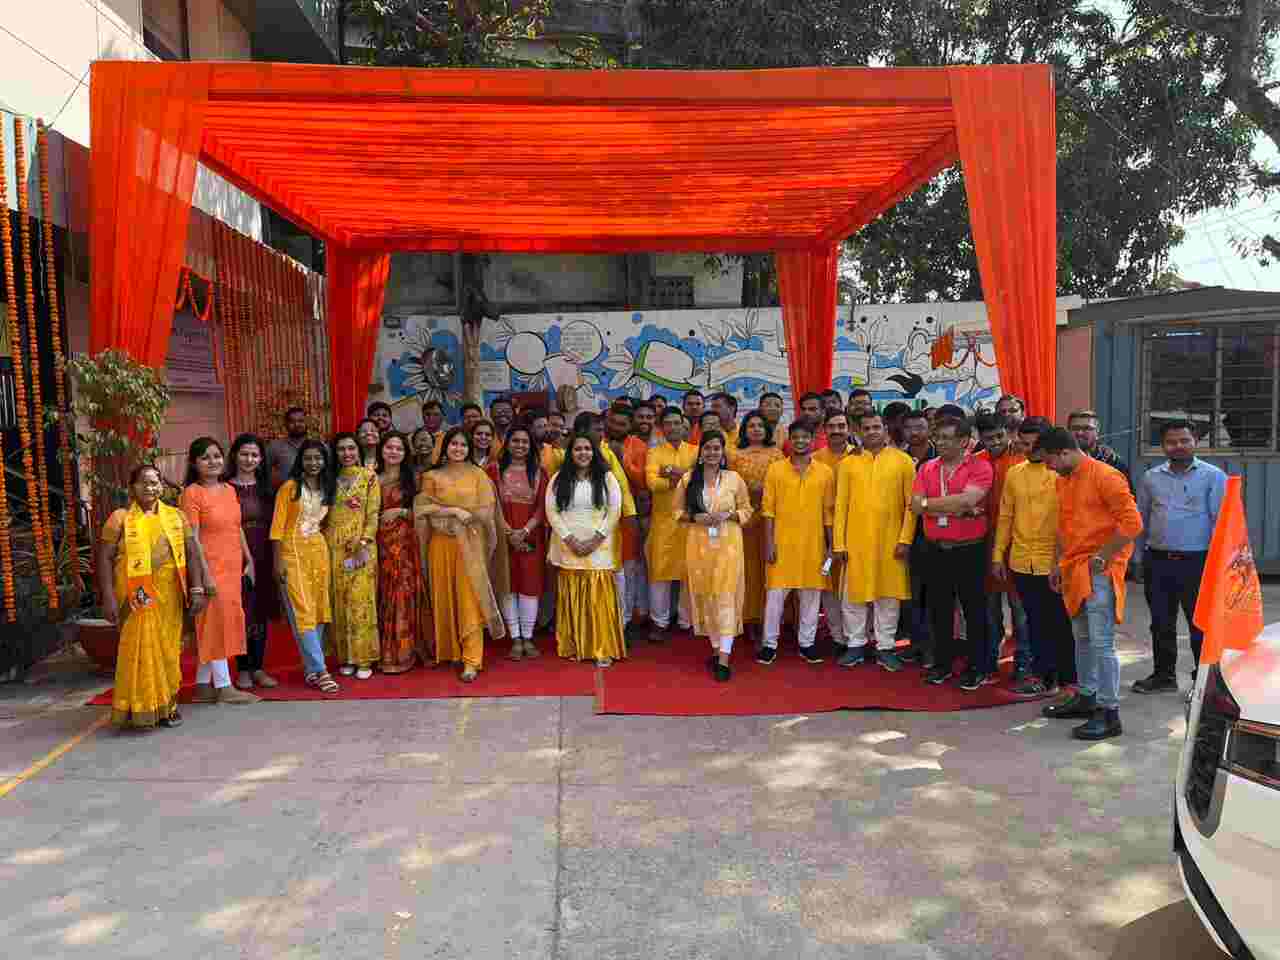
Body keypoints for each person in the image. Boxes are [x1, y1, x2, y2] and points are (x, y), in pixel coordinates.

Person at [1038, 427, 1142, 740]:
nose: (1048, 467)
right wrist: (1058, 563)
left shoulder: (1106, 476)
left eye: (1049, 461)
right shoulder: (1063, 480)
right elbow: (1063, 526)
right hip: (1074, 568)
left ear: (1064, 452)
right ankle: (1087, 697)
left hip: (1100, 571)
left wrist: (1105, 555)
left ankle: (1109, 713)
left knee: (1101, 642)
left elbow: (1133, 523)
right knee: (1081, 637)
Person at [99, 465, 208, 729]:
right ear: (132, 487)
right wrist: (109, 597)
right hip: (135, 598)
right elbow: (104, 557)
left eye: (156, 482)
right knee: (135, 651)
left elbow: (192, 553)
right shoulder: (119, 518)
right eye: (144, 483)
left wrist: (197, 589)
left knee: (168, 650)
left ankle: (167, 706)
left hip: (169, 596)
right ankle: (135, 708)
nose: (151, 488)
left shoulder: (176, 517)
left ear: (162, 486)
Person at [1132, 419, 1226, 693]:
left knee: (1201, 625)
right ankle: (1164, 676)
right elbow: (1142, 519)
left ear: (1195, 442)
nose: (1179, 446)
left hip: (1198, 562)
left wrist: (1220, 563)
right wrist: (1138, 558)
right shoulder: (1151, 478)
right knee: (1161, 622)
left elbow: (1221, 522)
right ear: (1163, 446)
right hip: (1158, 561)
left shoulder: (1213, 476)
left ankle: (1204, 681)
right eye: (1172, 442)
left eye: (1185, 440)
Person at [415, 427, 505, 682]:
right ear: (444, 448)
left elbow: (486, 512)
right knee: (444, 595)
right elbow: (422, 508)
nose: (458, 448)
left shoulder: (479, 475)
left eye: (463, 445)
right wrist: (454, 511)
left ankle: (472, 659)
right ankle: (451, 650)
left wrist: (453, 512)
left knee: (469, 598)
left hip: (470, 544)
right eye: (453, 444)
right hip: (440, 545)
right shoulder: (431, 476)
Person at [992, 416, 1074, 697]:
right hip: (1020, 560)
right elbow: (1005, 516)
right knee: (1033, 622)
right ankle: (1041, 676)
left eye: (1033, 444)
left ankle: (1068, 680)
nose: (1027, 449)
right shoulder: (1015, 473)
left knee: (1059, 623)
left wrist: (1061, 561)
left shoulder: (1062, 474)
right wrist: (997, 555)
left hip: (1053, 563)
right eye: (1023, 443)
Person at [910, 416, 994, 689]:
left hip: (970, 550)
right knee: (939, 610)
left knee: (974, 610)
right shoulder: (927, 468)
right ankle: (942, 664)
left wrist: (936, 505)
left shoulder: (980, 466)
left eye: (947, 437)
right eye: (940, 437)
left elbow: (969, 500)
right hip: (935, 549)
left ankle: (978, 667)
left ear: (963, 441)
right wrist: (957, 507)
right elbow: (915, 505)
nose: (941, 442)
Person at [833, 412, 916, 671]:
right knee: (852, 596)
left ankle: (885, 646)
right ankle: (856, 644)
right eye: (866, 428)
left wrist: (905, 539)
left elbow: (910, 506)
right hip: (855, 541)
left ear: (886, 430)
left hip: (891, 541)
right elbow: (840, 506)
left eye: (876, 427)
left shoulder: (902, 461)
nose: (871, 431)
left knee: (888, 596)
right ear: (858, 432)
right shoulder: (848, 463)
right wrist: (838, 543)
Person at [181, 438, 259, 705]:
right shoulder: (191, 493)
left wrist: (249, 560)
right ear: (194, 463)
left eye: (216, 456)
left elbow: (236, 527)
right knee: (215, 624)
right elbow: (192, 539)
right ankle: (224, 686)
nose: (213, 461)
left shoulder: (228, 489)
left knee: (221, 622)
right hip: (210, 567)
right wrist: (204, 577)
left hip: (233, 565)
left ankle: (203, 686)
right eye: (205, 457)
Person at [676, 431, 752, 681]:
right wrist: (694, 517)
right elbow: (677, 512)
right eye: (707, 448)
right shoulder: (689, 480)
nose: (712, 453)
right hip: (699, 545)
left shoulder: (734, 479)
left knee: (726, 596)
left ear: (723, 452)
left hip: (729, 545)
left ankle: (724, 659)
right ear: (701, 453)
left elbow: (747, 510)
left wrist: (730, 516)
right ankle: (717, 647)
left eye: (717, 448)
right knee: (707, 597)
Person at [545, 433, 626, 666]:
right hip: (568, 545)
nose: (583, 453)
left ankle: (602, 649)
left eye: (587, 449)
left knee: (598, 600)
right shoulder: (559, 479)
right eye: (578, 449)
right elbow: (552, 512)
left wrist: (595, 540)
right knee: (573, 597)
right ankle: (576, 645)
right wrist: (570, 539)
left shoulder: (607, 478)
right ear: (570, 453)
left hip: (599, 546)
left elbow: (615, 510)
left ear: (595, 452)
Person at [759, 418, 835, 665]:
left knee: (811, 597)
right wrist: (769, 543)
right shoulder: (775, 469)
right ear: (789, 440)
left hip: (813, 545)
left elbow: (828, 513)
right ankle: (769, 644)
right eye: (796, 437)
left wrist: (830, 546)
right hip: (781, 543)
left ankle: (807, 643)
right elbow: (768, 510)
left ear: (813, 441)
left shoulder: (825, 472)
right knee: (775, 598)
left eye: (806, 437)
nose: (800, 441)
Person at [271, 438, 339, 694]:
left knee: (320, 610)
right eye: (308, 458)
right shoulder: (289, 488)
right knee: (302, 611)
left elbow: (323, 523)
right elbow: (277, 528)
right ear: (301, 461)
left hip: (318, 553)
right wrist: (277, 562)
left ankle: (311, 668)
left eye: (318, 458)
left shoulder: (327, 488)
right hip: (293, 553)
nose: (314, 463)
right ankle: (321, 670)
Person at [976, 413, 1030, 681]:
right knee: (989, 607)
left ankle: (1023, 661)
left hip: (1018, 542)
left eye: (1000, 436)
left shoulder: (1022, 460)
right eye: (989, 438)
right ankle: (988, 659)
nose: (995, 442)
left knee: (1020, 608)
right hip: (984, 543)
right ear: (980, 438)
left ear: (1008, 433)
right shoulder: (976, 462)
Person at [487, 425, 549, 659]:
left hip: (530, 536)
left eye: (525, 442)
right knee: (508, 585)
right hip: (503, 537)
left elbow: (544, 507)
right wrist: (508, 532)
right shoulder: (492, 471)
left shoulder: (540, 472)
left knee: (529, 586)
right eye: (515, 441)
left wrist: (523, 530)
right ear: (507, 444)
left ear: (531, 446)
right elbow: (489, 505)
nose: (520, 446)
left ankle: (528, 637)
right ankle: (515, 638)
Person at [224, 433, 280, 690]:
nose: (249, 459)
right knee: (241, 610)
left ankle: (258, 668)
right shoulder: (224, 487)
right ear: (235, 455)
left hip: (264, 551)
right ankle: (243, 669)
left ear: (261, 459)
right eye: (244, 454)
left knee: (260, 611)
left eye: (255, 455)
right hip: (234, 554)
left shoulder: (269, 487)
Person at [326, 433, 380, 679]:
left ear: (358, 451)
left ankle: (364, 658)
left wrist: (364, 540)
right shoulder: (330, 479)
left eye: (351, 449)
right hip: (334, 548)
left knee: (361, 601)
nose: (346, 453)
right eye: (341, 449)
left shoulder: (369, 477)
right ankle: (346, 656)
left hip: (362, 546)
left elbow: (373, 513)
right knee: (340, 601)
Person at [730, 411, 784, 651]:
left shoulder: (777, 455)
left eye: (760, 425)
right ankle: (748, 618)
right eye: (751, 425)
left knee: (769, 568)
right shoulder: (734, 456)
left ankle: (771, 620)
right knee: (747, 570)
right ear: (744, 430)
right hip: (743, 520)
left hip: (771, 519)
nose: (756, 429)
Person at [646, 407, 698, 640]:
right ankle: (659, 622)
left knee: (690, 572)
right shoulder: (654, 453)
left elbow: (699, 483)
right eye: (667, 423)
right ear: (662, 427)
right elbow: (652, 483)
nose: (672, 427)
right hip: (663, 521)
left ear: (684, 426)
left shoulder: (695, 451)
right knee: (660, 572)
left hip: (690, 521)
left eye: (677, 423)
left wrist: (672, 473)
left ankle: (687, 620)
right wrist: (682, 477)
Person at [376, 431, 424, 674]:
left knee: (402, 594)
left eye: (399, 448)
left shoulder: (414, 480)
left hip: (405, 545)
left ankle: (403, 653)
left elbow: (424, 514)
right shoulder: (371, 479)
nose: (393, 452)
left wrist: (401, 512)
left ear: (405, 454)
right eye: (389, 447)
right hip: (379, 546)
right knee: (384, 595)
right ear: (381, 449)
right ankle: (383, 651)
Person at [813, 410, 856, 647]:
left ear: (849, 429)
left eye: (842, 425)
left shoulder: (861, 456)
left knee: (854, 583)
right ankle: (838, 636)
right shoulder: (815, 458)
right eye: (832, 426)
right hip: (823, 532)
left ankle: (857, 636)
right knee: (828, 584)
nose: (837, 430)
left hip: (856, 528)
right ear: (824, 430)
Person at [620, 405, 654, 637]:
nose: (644, 420)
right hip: (625, 514)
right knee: (629, 565)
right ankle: (628, 615)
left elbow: (650, 477)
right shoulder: (623, 444)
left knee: (646, 564)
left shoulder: (651, 445)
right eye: (640, 416)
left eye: (649, 417)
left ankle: (644, 613)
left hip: (650, 510)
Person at [1067, 409, 1131, 486]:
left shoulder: (1113, 463)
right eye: (1075, 428)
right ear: (1068, 431)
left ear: (1097, 432)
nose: (1080, 433)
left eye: (1087, 428)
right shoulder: (1059, 461)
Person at [266, 406, 308, 489]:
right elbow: (263, 470)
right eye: (292, 421)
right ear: (285, 424)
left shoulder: (316, 445)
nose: (297, 425)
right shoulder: (275, 446)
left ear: (306, 423)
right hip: (284, 496)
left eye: (301, 421)